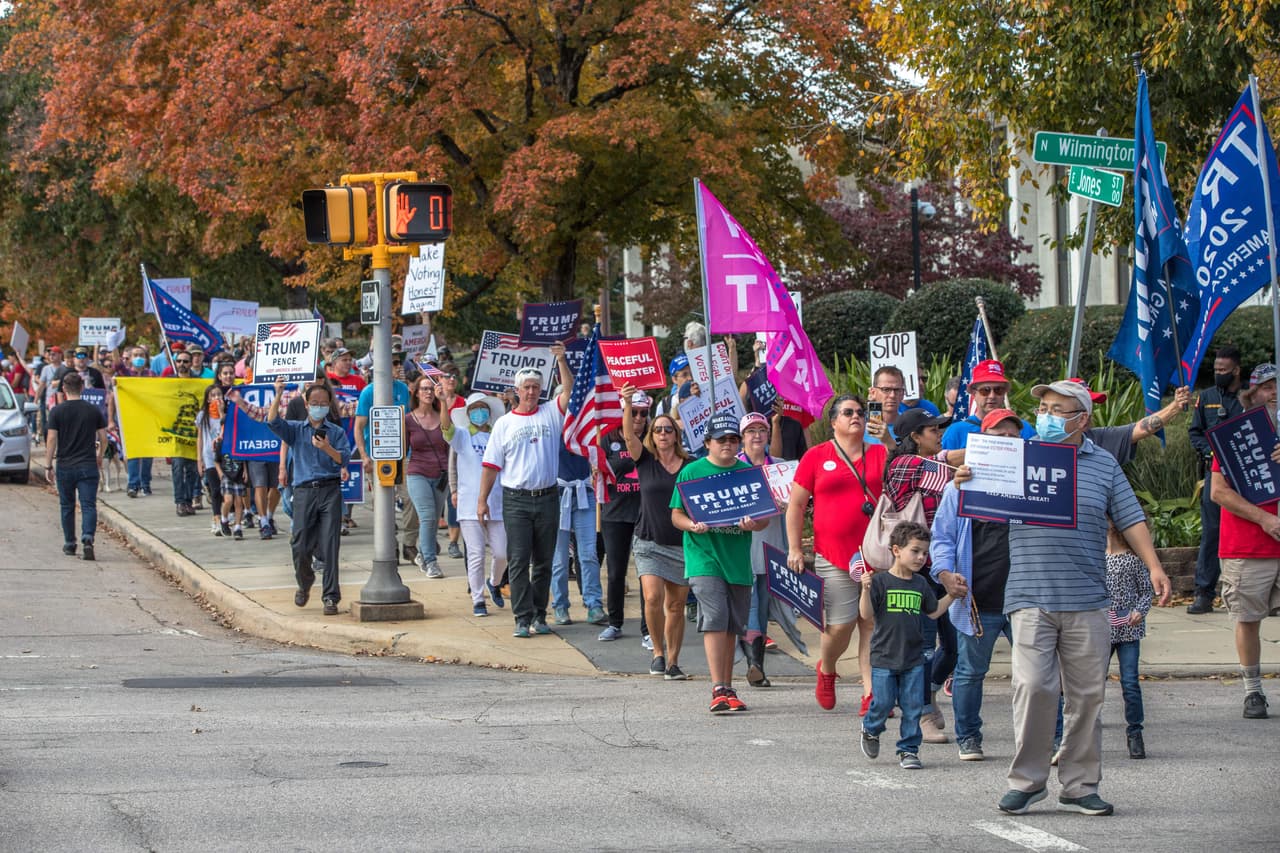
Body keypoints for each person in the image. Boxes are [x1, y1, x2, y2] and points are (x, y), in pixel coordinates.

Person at [996, 380, 1169, 818]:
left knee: (1087, 696)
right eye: (1045, 408)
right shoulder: (1019, 456)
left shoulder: (1104, 464)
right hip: (1031, 593)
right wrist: (964, 472)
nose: (1048, 416)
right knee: (1034, 687)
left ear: (1082, 420)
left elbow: (1130, 517)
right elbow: (972, 477)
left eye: (1059, 409)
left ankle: (1078, 785)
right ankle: (1028, 782)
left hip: (1089, 596)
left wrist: (1154, 566)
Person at [931, 408, 1022, 762]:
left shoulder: (1030, 484)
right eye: (999, 437)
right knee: (970, 672)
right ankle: (968, 737)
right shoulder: (961, 486)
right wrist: (944, 574)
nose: (1008, 443)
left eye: (1014, 437)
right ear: (984, 442)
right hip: (976, 598)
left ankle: (1053, 737)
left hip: (1024, 598)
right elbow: (941, 537)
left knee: (1040, 674)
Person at [787, 395, 887, 714]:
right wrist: (793, 548)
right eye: (848, 412)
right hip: (834, 555)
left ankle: (870, 694)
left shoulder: (881, 453)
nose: (855, 416)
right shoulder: (817, 456)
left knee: (870, 624)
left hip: (876, 554)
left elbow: (901, 486)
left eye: (859, 411)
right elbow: (796, 505)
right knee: (840, 626)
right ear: (834, 422)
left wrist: (889, 439)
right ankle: (827, 668)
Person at [670, 413, 770, 712]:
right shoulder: (692, 472)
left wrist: (754, 524)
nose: (728, 444)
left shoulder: (748, 473)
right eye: (721, 439)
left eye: (732, 439)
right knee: (715, 619)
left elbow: (763, 518)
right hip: (704, 557)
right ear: (707, 443)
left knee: (732, 625)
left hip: (737, 560)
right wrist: (692, 525)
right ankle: (718, 687)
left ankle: (728, 687)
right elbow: (676, 515)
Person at [879, 407, 966, 744]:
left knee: (956, 645)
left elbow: (947, 460)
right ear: (915, 437)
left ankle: (926, 693)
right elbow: (949, 469)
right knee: (926, 646)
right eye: (932, 429)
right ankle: (921, 713)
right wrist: (997, 449)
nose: (939, 433)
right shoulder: (905, 466)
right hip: (916, 568)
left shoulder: (930, 461)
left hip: (944, 564)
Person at [477, 346, 574, 638]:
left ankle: (539, 614)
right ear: (517, 390)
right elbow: (491, 466)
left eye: (535, 387)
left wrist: (560, 359)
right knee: (518, 559)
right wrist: (481, 500)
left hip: (547, 496)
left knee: (544, 560)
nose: (531, 392)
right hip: (516, 499)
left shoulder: (550, 413)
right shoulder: (504, 425)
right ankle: (521, 617)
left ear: (541, 389)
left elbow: (568, 389)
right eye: (526, 387)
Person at [1207, 362, 1280, 721]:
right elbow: (1218, 493)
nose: (1275, 393)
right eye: (1267, 387)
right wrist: (1264, 518)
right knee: (1248, 619)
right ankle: (1253, 690)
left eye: (1278, 386)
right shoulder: (1234, 436)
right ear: (1253, 395)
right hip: (1248, 547)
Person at [859, 522, 958, 770]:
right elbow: (866, 614)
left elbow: (933, 612)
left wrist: (953, 596)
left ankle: (908, 750)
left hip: (914, 658)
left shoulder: (920, 584)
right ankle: (871, 729)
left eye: (925, 553)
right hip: (884, 657)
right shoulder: (880, 582)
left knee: (913, 706)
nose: (921, 557)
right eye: (915, 551)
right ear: (896, 550)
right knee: (882, 702)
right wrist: (865, 590)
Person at [618, 384, 689, 677]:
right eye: (658, 429)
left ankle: (673, 661)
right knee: (652, 598)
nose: (662, 434)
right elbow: (628, 435)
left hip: (681, 544)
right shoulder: (645, 461)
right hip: (648, 540)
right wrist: (626, 403)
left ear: (675, 436)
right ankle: (657, 652)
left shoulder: (690, 466)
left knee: (676, 605)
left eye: (667, 430)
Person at [266, 376, 352, 617]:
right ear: (306, 404)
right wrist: (278, 393)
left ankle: (330, 596)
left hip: (330, 490)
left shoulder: (334, 431)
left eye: (323, 402)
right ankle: (304, 583)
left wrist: (326, 448)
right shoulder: (296, 429)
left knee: (330, 544)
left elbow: (343, 458)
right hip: (304, 490)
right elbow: (273, 422)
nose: (319, 406)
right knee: (300, 543)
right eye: (314, 402)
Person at [1187, 345, 1245, 614]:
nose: (1219, 373)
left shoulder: (1247, 398)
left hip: (1245, 474)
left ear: (1236, 370)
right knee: (1212, 532)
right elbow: (1195, 432)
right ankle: (1204, 593)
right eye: (1216, 369)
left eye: (1224, 370)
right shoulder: (1207, 397)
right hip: (1216, 473)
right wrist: (1211, 451)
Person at [444, 392, 508, 616]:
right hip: (469, 503)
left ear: (489, 413)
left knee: (502, 553)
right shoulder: (462, 436)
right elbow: (446, 429)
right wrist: (443, 402)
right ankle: (478, 599)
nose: (479, 413)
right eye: (474, 409)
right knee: (476, 553)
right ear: (468, 414)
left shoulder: (497, 435)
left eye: (483, 409)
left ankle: (494, 582)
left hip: (497, 502)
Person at [736, 411, 786, 688]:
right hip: (742, 547)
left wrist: (789, 506)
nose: (757, 435)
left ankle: (757, 662)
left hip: (772, 546)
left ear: (768, 435)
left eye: (761, 430)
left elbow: (798, 505)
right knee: (751, 604)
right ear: (742, 438)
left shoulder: (779, 467)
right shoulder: (733, 467)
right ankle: (754, 665)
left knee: (763, 607)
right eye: (750, 431)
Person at [598, 388, 650, 646]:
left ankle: (648, 629)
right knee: (616, 571)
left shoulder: (654, 436)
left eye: (644, 412)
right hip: (615, 512)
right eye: (634, 412)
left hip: (645, 514)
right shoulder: (607, 438)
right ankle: (614, 623)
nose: (639, 417)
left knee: (646, 574)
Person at [44, 372, 107, 561]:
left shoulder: (57, 411)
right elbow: (103, 438)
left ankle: (70, 543)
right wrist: (100, 456)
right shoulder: (93, 410)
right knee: (88, 505)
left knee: (67, 506)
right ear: (82, 388)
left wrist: (48, 465)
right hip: (87, 464)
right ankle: (88, 538)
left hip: (65, 464)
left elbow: (52, 438)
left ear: (64, 388)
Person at [1104, 521, 1154, 758]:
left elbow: (1146, 591)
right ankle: (1087, 726)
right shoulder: (1097, 559)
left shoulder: (1134, 560)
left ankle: (1135, 732)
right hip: (1102, 632)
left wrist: (1140, 611)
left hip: (1129, 632)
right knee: (1091, 683)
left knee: (1130, 682)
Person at [550, 442, 605, 628]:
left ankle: (594, 603)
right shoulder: (553, 424)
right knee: (559, 558)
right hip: (558, 494)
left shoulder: (584, 426)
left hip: (584, 492)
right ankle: (560, 605)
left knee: (589, 553)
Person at [404, 373, 450, 578]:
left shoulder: (441, 414)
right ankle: (431, 562)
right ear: (416, 392)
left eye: (431, 389)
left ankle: (422, 554)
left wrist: (444, 402)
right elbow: (402, 449)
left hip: (441, 474)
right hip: (417, 472)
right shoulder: (408, 419)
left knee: (432, 520)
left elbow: (449, 431)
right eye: (424, 389)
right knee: (428, 516)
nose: (428, 392)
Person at [195, 384, 227, 536]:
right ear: (208, 399)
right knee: (215, 489)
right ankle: (216, 518)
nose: (216, 398)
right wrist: (199, 458)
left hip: (224, 456)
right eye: (213, 395)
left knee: (226, 489)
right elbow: (200, 437)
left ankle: (228, 516)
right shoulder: (203, 416)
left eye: (219, 395)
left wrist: (221, 413)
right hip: (209, 456)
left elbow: (225, 429)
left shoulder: (226, 414)